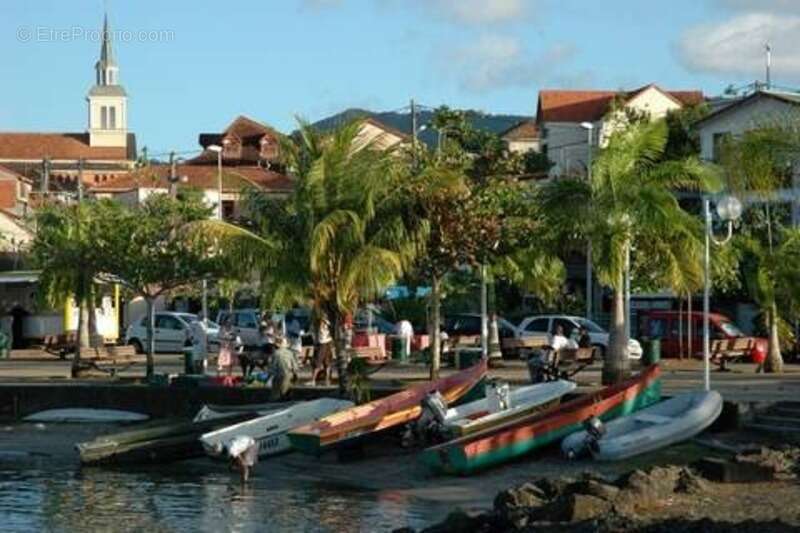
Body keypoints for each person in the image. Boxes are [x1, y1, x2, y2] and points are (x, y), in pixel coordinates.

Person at [269, 334, 299, 400]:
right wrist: (295, 374)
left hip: (280, 375)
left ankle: (276, 398)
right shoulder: (290, 353)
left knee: (276, 390)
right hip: (289, 374)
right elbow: (295, 366)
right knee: (287, 389)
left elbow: (273, 367)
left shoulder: (276, 353)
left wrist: (269, 374)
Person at [310, 316, 333, 386]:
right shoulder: (326, 323)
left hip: (322, 343)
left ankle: (314, 380)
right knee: (326, 362)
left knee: (319, 362)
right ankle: (326, 380)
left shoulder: (323, 324)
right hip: (326, 342)